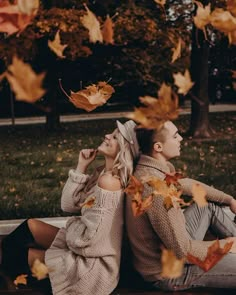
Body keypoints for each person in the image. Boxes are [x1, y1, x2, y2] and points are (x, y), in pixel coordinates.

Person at [1, 120, 139, 295]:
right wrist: (81, 166)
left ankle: (14, 282)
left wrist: (72, 225)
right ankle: (12, 277)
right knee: (29, 226)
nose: (106, 136)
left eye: (114, 137)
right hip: (86, 250)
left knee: (15, 255)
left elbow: (88, 241)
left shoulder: (109, 183)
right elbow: (68, 205)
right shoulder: (103, 174)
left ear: (124, 149)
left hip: (90, 269)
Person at [125, 120, 236, 291]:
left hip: (172, 247)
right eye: (175, 136)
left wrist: (229, 200)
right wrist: (225, 244)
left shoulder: (149, 169)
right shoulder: (157, 190)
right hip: (170, 272)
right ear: (158, 147)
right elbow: (182, 251)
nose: (181, 139)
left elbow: (187, 184)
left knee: (206, 206)